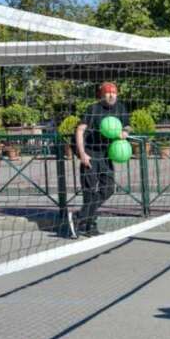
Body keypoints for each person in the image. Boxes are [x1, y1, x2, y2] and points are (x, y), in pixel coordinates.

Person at [66, 82, 129, 238]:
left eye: (114, 92)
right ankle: (90, 226)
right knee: (89, 192)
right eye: (108, 92)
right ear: (101, 95)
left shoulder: (120, 108)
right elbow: (80, 130)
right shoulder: (93, 109)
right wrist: (82, 154)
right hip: (90, 153)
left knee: (108, 189)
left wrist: (125, 132)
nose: (111, 95)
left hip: (106, 155)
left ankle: (79, 217)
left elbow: (127, 126)